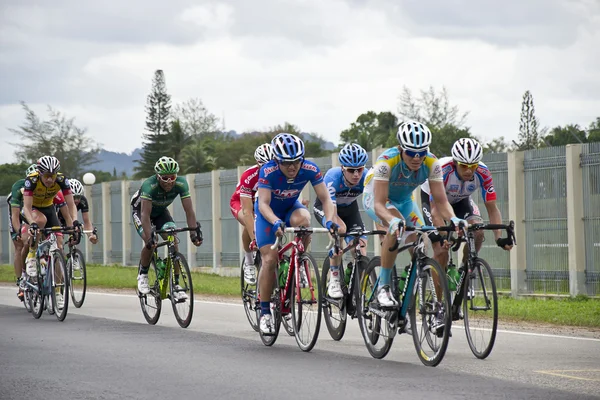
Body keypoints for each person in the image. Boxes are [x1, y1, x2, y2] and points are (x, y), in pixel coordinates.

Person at [363, 121, 466, 331]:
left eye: (421, 152)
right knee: (395, 226)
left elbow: (441, 200)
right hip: (377, 198)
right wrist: (391, 221)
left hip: (405, 201)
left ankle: (406, 300)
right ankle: (383, 286)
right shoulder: (386, 163)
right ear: (401, 149)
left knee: (421, 239)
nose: (417, 157)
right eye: (411, 152)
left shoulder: (432, 163)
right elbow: (379, 204)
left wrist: (454, 219)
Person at [255, 133, 338, 334]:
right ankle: (265, 312)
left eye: (296, 162)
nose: (292, 167)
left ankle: (299, 259)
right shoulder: (268, 171)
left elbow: (326, 199)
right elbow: (264, 204)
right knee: (269, 259)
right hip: (268, 214)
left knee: (304, 220)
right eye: (286, 163)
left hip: (291, 207)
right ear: (277, 161)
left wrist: (329, 221)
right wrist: (275, 221)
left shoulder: (309, 169)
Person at [420, 138, 513, 270]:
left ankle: (465, 269)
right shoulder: (443, 170)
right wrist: (444, 236)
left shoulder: (483, 173)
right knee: (441, 250)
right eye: (464, 166)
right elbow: (435, 211)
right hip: (436, 203)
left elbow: (492, 208)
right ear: (455, 163)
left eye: (473, 166)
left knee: (478, 231)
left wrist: (498, 237)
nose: (469, 171)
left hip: (460, 200)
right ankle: (440, 289)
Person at [131, 156, 202, 300]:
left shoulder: (181, 183)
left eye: (172, 177)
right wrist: (149, 236)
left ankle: (176, 285)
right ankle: (143, 274)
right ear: (158, 176)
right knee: (150, 241)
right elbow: (145, 215)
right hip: (142, 212)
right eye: (165, 178)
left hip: (160, 212)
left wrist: (194, 233)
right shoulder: (149, 185)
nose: (169, 181)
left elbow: (189, 211)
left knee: (173, 237)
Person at [314, 143, 368, 299]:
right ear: (343, 169)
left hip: (350, 209)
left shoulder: (366, 177)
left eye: (360, 169)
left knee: (361, 247)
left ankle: (355, 289)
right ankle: (335, 278)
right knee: (341, 230)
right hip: (327, 208)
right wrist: (334, 234)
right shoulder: (333, 177)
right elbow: (331, 209)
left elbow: (376, 202)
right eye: (352, 170)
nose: (356, 174)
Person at [22, 156, 79, 279]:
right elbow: (26, 207)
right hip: (33, 208)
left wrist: (74, 221)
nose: (49, 179)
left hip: (49, 208)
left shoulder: (61, 180)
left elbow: (71, 204)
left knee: (59, 245)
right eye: (46, 175)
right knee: (40, 221)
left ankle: (57, 290)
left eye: (52, 176)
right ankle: (31, 255)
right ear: (40, 173)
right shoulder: (31, 180)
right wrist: (32, 223)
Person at [230, 143, 275, 285]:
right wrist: (254, 238)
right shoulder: (249, 175)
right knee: (249, 221)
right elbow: (247, 210)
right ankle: (248, 262)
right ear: (258, 163)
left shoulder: (280, 173)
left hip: (262, 203)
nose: (268, 169)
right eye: (264, 166)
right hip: (241, 202)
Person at [57, 178, 98, 251]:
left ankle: (71, 253)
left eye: (78, 197)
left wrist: (91, 235)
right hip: (58, 219)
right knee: (59, 243)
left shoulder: (83, 201)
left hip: (71, 220)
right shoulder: (59, 199)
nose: (76, 200)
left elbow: (86, 221)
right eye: (73, 197)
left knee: (76, 233)